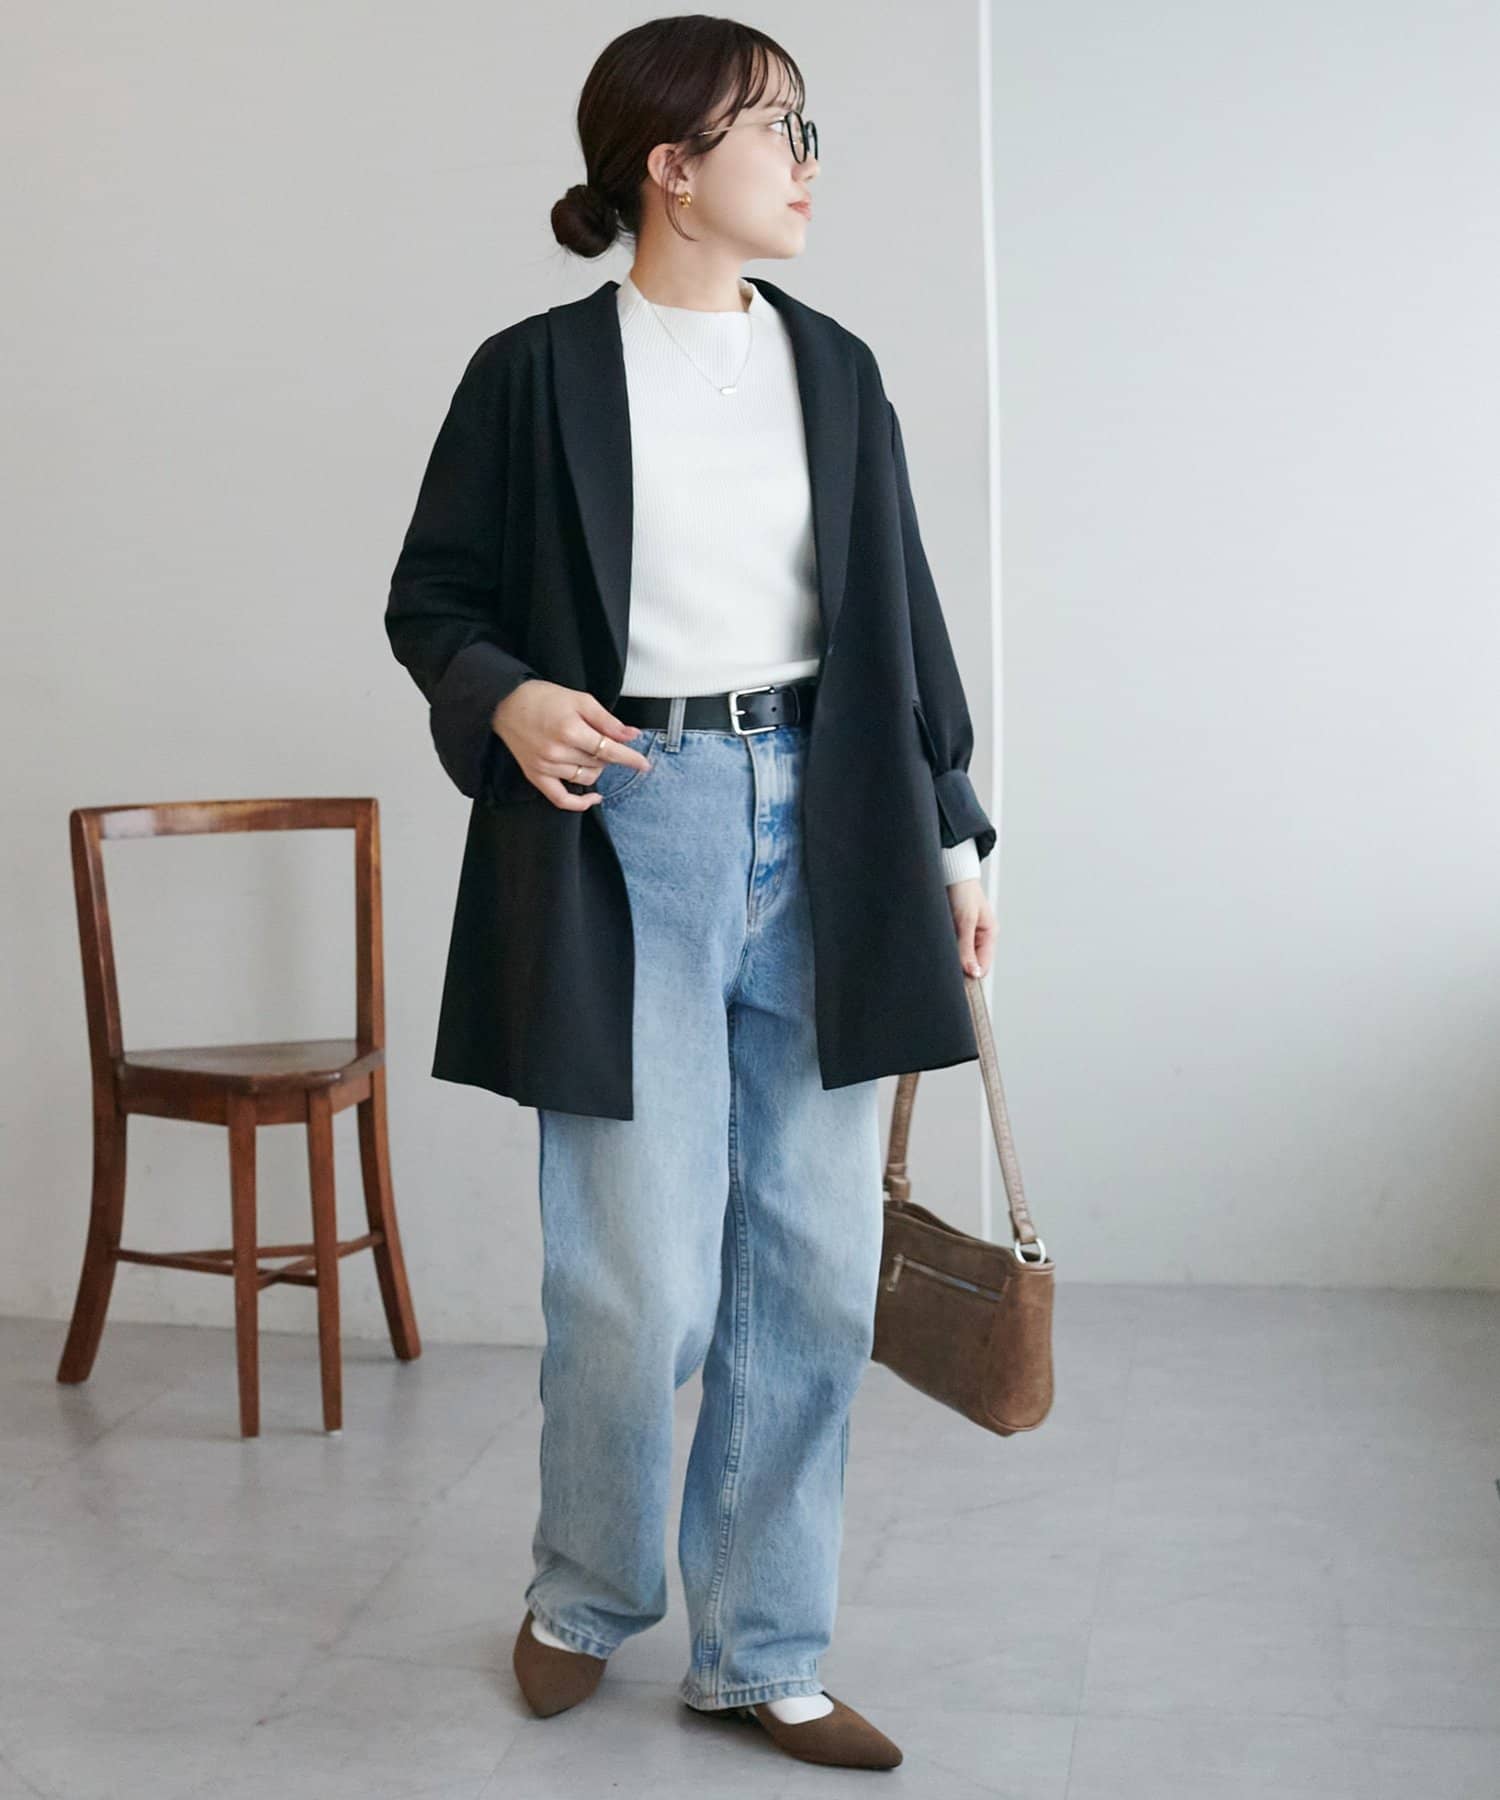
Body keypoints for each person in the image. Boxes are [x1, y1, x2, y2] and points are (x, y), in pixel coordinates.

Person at [387, 16, 996, 1774]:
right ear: (671, 165)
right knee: (635, 1282)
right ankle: (586, 1592)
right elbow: (434, 600)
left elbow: (902, 624)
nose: (807, 161)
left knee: (810, 1270)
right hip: (625, 823)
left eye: (811, 128)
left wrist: (956, 842)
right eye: (776, 128)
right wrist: (510, 696)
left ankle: (761, 1647)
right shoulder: (532, 375)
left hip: (835, 823)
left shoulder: (838, 370)